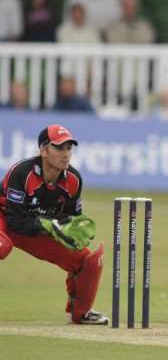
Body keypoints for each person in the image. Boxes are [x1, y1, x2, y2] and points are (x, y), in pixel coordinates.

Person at [0, 124, 109, 325]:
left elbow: (72, 217)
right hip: (5, 220)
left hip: (34, 228)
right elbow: (14, 222)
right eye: (59, 148)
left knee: (88, 261)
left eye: (69, 148)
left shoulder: (73, 180)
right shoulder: (21, 173)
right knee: (2, 246)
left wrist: (73, 231)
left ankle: (81, 313)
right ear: (43, 150)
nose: (66, 154)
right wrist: (49, 226)